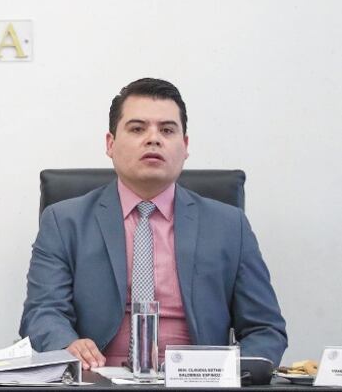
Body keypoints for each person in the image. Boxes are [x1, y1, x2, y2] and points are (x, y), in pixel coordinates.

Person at [20, 78, 287, 369]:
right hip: (98, 379)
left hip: (196, 382)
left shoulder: (229, 226)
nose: (153, 138)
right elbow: (42, 312)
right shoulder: (64, 221)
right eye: (137, 128)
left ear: (185, 146)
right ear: (110, 144)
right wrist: (67, 346)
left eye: (167, 130)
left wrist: (230, 372)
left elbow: (265, 329)